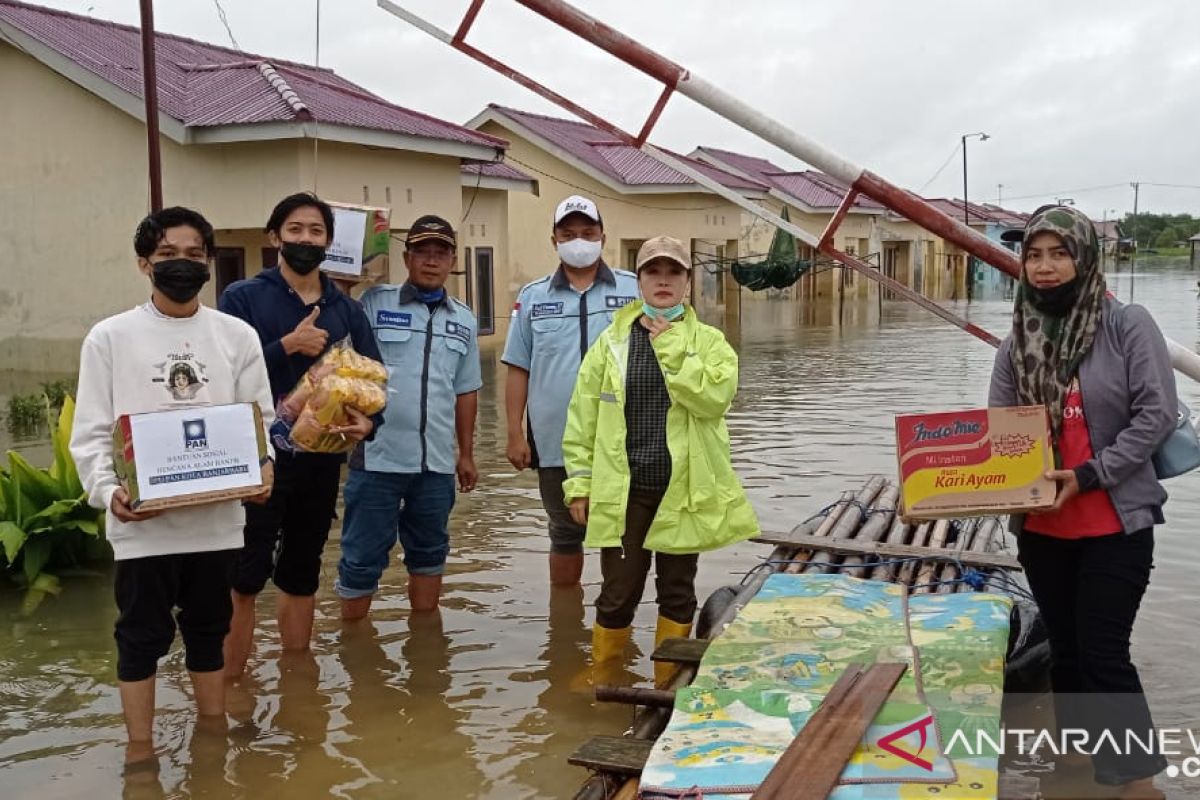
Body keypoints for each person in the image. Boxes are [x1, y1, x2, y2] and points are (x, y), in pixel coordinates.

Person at [69, 207, 274, 761]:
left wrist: (264, 467)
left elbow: (262, 422)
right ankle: (140, 754)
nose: (181, 265)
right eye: (167, 256)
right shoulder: (109, 338)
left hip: (217, 524)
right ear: (144, 264)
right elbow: (89, 435)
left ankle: (212, 740)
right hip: (144, 529)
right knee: (139, 640)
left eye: (192, 255)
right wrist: (109, 493)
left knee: (210, 634)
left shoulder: (236, 335)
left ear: (208, 263)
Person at [990, 206, 1175, 800]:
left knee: (1103, 652)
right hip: (1043, 529)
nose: (1044, 267)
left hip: (1114, 524)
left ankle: (1137, 782)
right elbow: (999, 432)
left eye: (1058, 253)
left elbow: (1156, 416)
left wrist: (1092, 473)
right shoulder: (1016, 337)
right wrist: (972, 480)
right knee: (1065, 652)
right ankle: (1074, 769)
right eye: (1033, 256)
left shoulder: (1127, 325)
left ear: (1083, 258)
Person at [561, 235, 759, 687]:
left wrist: (669, 346)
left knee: (676, 589)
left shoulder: (710, 343)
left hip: (683, 490)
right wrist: (579, 483)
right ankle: (605, 673)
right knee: (618, 590)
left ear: (688, 281)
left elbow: (713, 400)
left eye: (674, 272)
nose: (663, 280)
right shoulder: (611, 343)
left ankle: (666, 680)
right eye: (653, 271)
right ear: (640, 280)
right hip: (624, 490)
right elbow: (581, 419)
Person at [218, 192, 382, 678]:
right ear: (275, 237)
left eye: (315, 231)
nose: (305, 240)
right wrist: (287, 345)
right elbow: (224, 373)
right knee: (245, 575)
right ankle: (229, 687)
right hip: (257, 457)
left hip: (320, 458)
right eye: (295, 230)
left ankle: (297, 685)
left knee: (303, 569)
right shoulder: (243, 297)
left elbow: (373, 379)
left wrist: (370, 423)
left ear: (329, 241)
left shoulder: (345, 309)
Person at [336, 215, 482, 617]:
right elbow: (341, 359)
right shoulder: (372, 303)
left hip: (434, 463)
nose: (432, 261)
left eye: (441, 252)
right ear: (407, 257)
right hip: (377, 457)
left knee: (430, 554)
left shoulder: (464, 319)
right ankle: (354, 648)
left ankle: (424, 647)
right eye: (423, 252)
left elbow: (466, 390)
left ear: (452, 259)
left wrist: (465, 454)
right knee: (361, 559)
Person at [502, 195, 640, 587]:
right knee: (564, 534)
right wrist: (515, 433)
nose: (578, 241)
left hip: (622, 441)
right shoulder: (533, 297)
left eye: (587, 233)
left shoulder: (634, 291)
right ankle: (565, 625)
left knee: (623, 536)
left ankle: (614, 627)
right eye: (569, 234)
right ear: (554, 240)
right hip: (554, 439)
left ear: (602, 237)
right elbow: (518, 368)